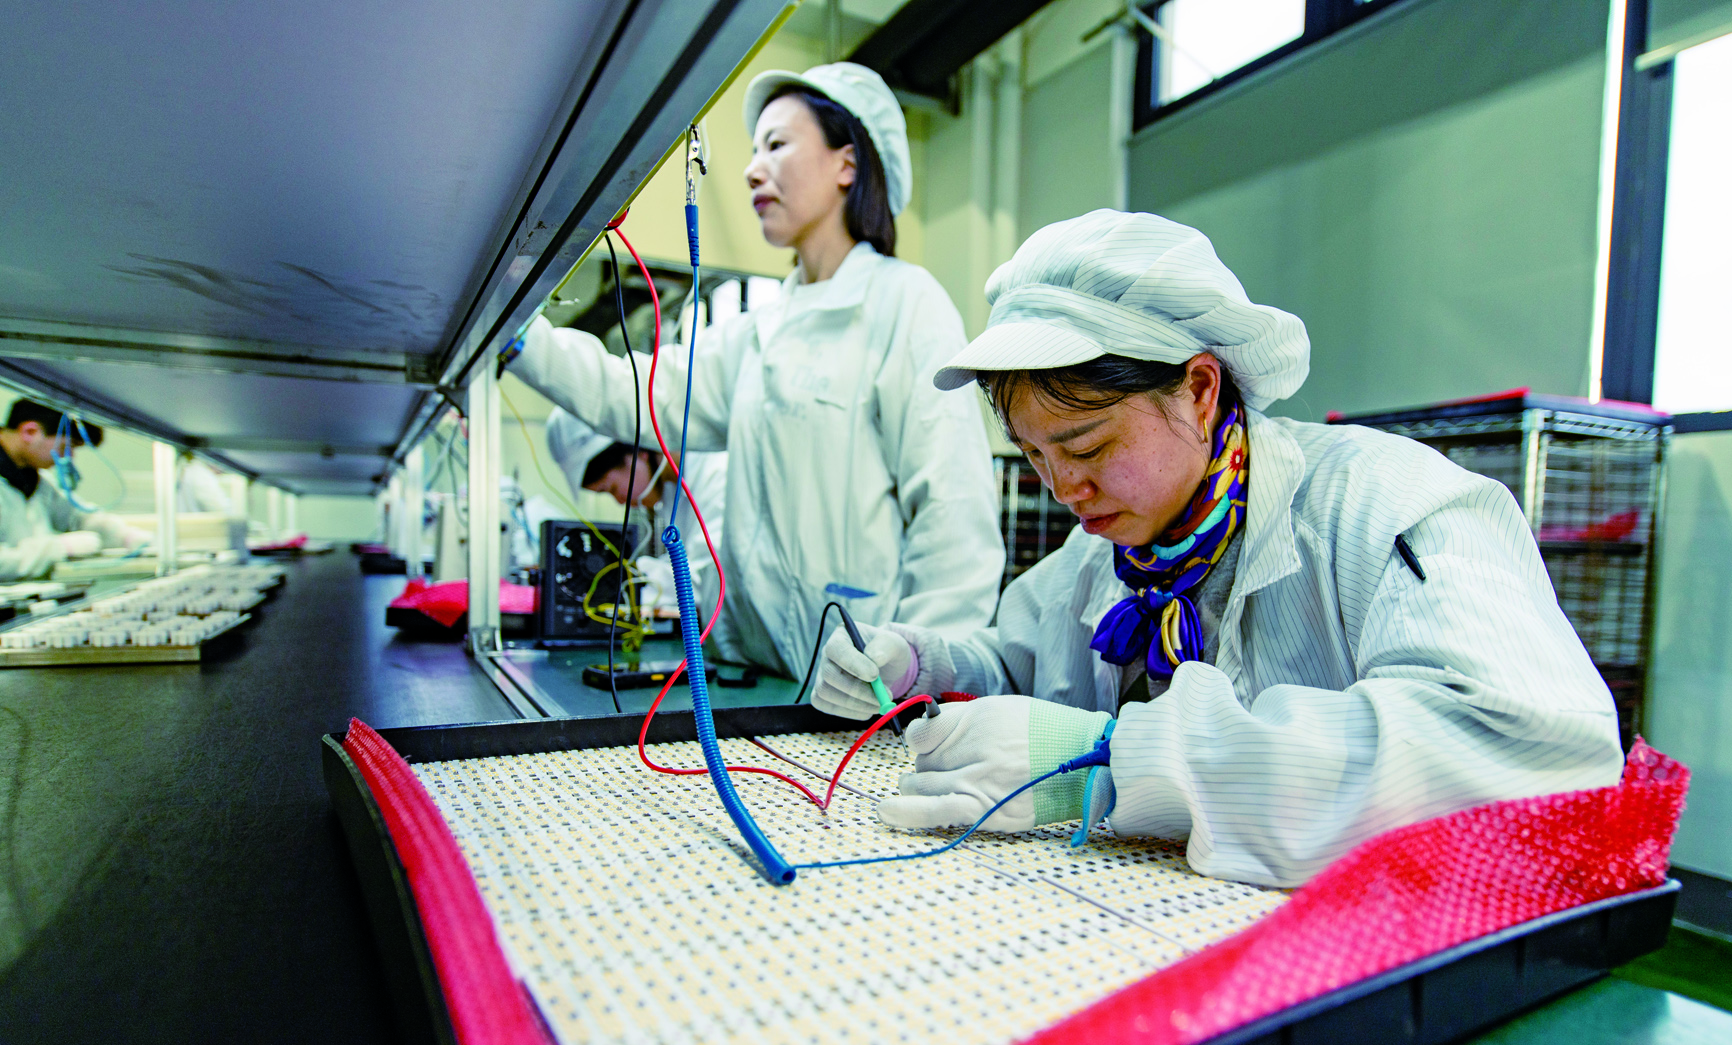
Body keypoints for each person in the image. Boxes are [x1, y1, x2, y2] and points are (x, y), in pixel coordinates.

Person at [811, 211, 1624, 889]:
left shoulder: (1389, 507)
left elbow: (1535, 757)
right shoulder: (1107, 552)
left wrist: (1118, 761)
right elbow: (1022, 666)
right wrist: (924, 665)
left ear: (1200, 391)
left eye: (1087, 446)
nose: (1063, 487)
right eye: (1034, 455)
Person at [507, 63, 1003, 679]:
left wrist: (923, 671)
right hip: (752, 671)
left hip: (863, 683)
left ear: (847, 164)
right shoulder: (758, 333)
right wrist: (519, 336)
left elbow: (953, 514)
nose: (751, 169)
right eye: (752, 150)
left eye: (776, 144)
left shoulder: (905, 304)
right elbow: (642, 393)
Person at [544, 406, 727, 611]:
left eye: (612, 489)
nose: (620, 501)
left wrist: (629, 581)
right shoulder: (673, 491)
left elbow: (708, 581)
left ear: (638, 450)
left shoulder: (717, 476)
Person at [0, 399, 152, 580]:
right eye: (66, 446)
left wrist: (123, 536)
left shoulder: (33, 479)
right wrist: (56, 548)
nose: (70, 456)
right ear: (30, 432)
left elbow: (77, 517)